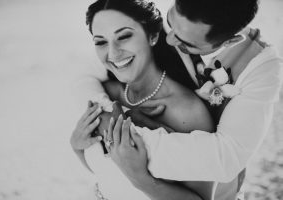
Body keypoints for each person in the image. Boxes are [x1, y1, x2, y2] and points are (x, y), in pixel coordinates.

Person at [72, 0, 283, 199]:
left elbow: (225, 158)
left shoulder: (259, 66)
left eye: (185, 42)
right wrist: (79, 145)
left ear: (229, 41)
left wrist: (119, 131)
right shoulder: (114, 83)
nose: (169, 38)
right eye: (170, 22)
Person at [71, 0, 218, 199]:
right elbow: (106, 174)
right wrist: (77, 147)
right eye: (101, 42)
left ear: (153, 36)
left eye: (123, 36)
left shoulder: (186, 111)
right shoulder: (105, 94)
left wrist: (140, 177)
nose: (113, 53)